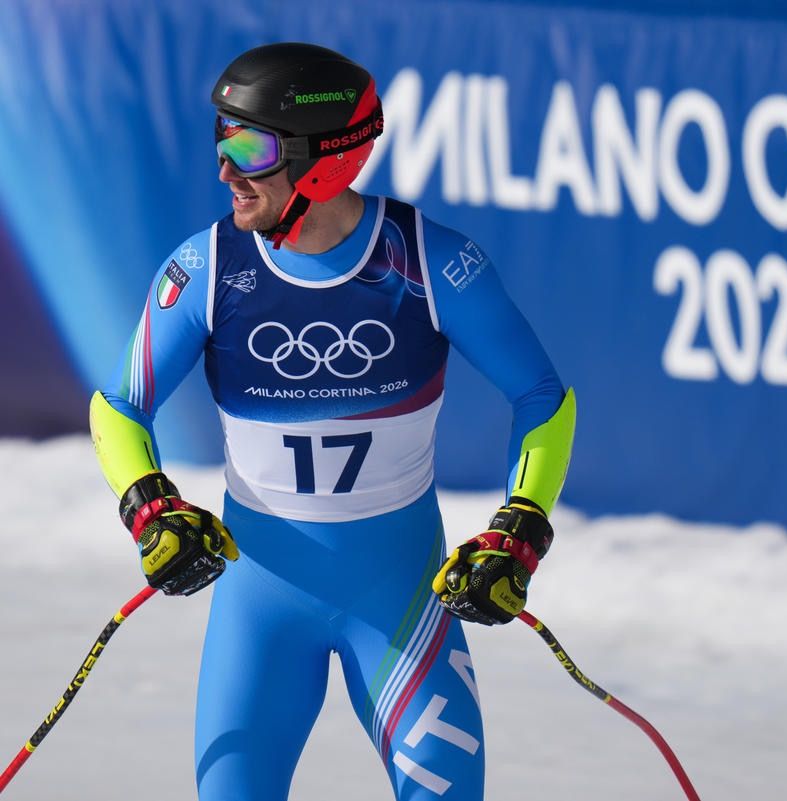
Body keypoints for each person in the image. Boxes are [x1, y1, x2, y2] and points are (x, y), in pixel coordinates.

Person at [88, 42, 575, 801]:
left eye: (250, 149)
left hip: (400, 602)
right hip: (260, 606)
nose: (226, 170)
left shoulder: (429, 263)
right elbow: (119, 406)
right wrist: (150, 508)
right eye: (221, 139)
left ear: (323, 161)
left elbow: (542, 395)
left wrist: (520, 530)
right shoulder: (208, 268)